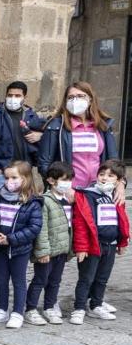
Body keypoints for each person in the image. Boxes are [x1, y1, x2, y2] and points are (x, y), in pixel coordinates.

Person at [0, 160, 43, 329]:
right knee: (1, 279)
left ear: (25, 178)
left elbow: (34, 228)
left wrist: (11, 239)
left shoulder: (32, 202)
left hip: (19, 249)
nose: (9, 181)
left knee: (18, 281)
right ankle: (2, 310)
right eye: (6, 178)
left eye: (14, 177)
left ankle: (18, 312)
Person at [71, 159, 129, 324]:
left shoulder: (115, 196)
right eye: (102, 174)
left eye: (110, 176)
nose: (104, 178)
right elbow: (81, 223)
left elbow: (122, 220)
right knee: (86, 278)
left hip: (110, 245)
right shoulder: (88, 195)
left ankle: (95, 304)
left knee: (102, 278)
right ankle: (79, 308)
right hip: (92, 246)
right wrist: (82, 247)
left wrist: (122, 242)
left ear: (118, 181)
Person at [38, 82, 118, 191]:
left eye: (80, 96)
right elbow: (44, 164)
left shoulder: (103, 125)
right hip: (69, 191)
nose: (75, 100)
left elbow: (113, 161)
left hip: (98, 190)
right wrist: (62, 186)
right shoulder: (56, 126)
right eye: (70, 97)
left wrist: (120, 183)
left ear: (90, 99)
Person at [26, 162, 75, 325]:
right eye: (64, 180)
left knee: (55, 281)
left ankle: (49, 307)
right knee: (40, 279)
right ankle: (30, 309)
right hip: (47, 251)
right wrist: (43, 251)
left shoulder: (67, 200)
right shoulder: (45, 201)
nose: (67, 183)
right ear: (51, 181)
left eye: (70, 180)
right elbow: (42, 229)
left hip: (61, 250)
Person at [0, 81, 45, 189]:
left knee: (25, 199)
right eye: (10, 95)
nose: (13, 98)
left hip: (24, 171)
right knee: (1, 199)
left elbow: (49, 132)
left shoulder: (31, 116)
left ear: (24, 97)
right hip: (2, 172)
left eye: (17, 95)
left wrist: (41, 135)